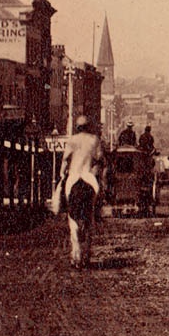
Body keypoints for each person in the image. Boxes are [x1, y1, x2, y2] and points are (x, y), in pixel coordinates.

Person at [59, 115, 105, 269]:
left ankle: (62, 207)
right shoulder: (95, 139)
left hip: (74, 175)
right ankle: (98, 210)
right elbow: (99, 159)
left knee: (62, 189)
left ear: (78, 127)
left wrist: (61, 173)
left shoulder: (72, 140)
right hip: (88, 174)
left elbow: (65, 160)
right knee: (98, 194)